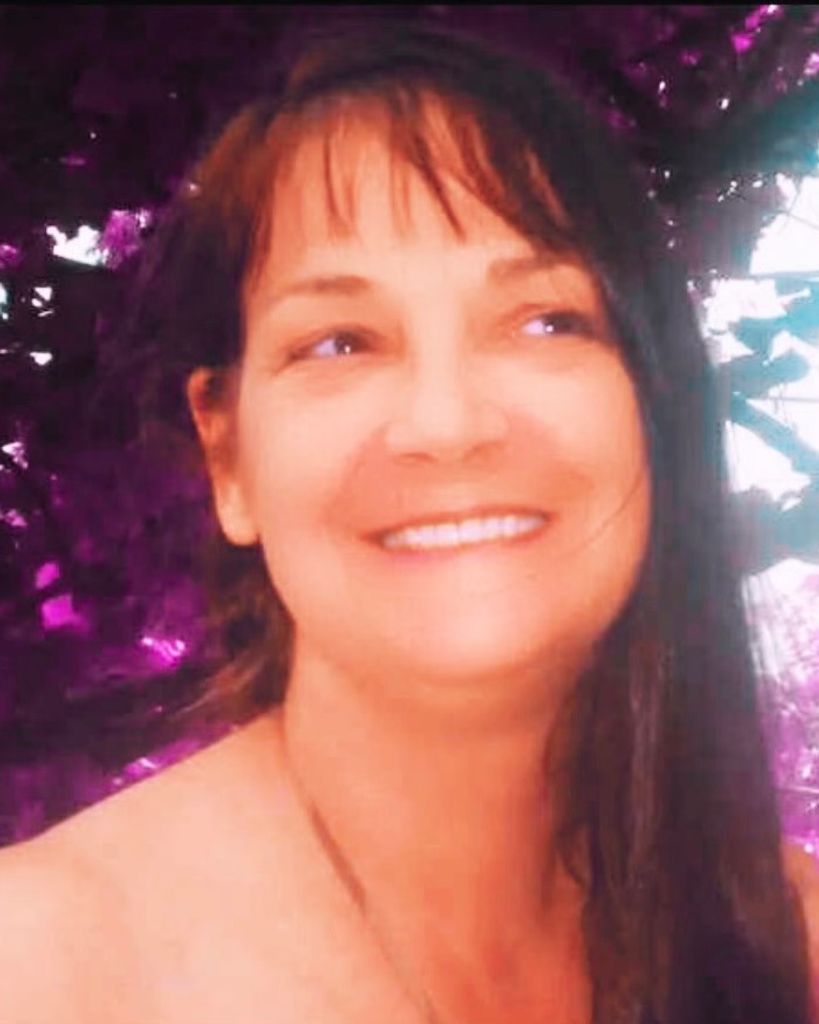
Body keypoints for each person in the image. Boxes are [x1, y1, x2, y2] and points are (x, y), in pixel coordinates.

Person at [1, 18, 817, 1024]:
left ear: (656, 403)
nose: (447, 424)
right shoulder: (41, 967)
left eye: (545, 321)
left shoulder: (789, 942)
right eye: (340, 342)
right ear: (227, 458)